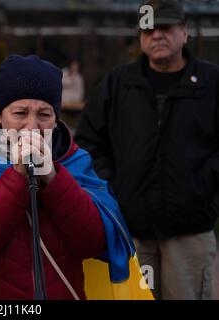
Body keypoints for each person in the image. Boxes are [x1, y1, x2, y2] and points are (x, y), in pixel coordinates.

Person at [0, 55, 153, 300]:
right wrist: (17, 176)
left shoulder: (75, 162)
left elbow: (96, 243)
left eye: (44, 115)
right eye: (20, 113)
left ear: (57, 120)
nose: (32, 126)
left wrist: (53, 177)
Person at [75, 0, 219, 300]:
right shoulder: (118, 84)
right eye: (148, 29)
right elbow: (89, 143)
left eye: (165, 27)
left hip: (189, 233)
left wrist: (204, 187)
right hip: (131, 232)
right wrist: (113, 189)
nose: (156, 35)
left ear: (185, 32)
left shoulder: (210, 83)